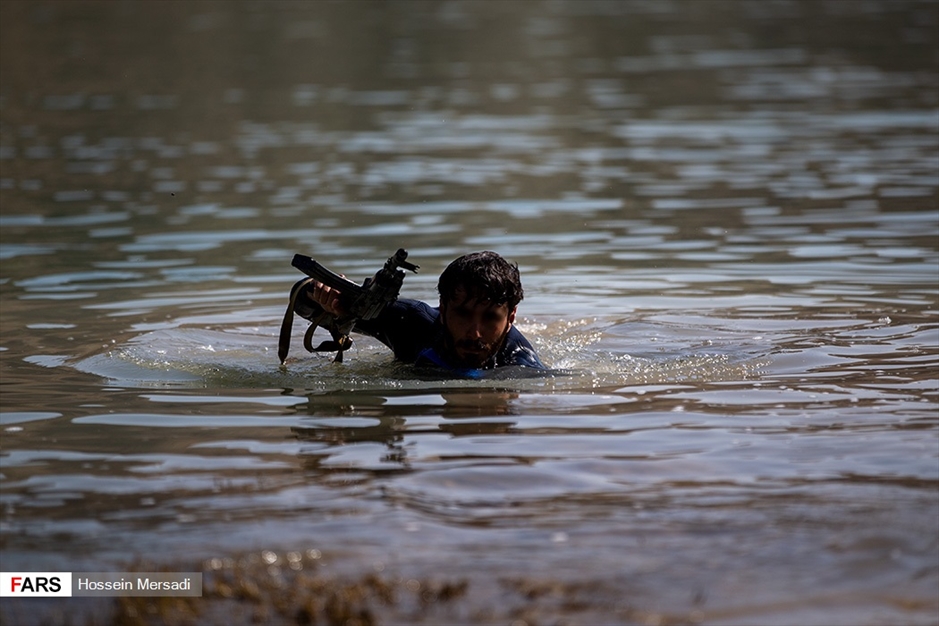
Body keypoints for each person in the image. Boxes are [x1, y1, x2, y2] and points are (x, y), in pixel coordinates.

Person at [294, 251, 545, 375]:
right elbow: (300, 299)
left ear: (511, 318)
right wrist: (328, 298)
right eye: (463, 314)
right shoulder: (412, 323)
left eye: (490, 317)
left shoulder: (519, 361)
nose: (475, 332)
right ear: (443, 310)